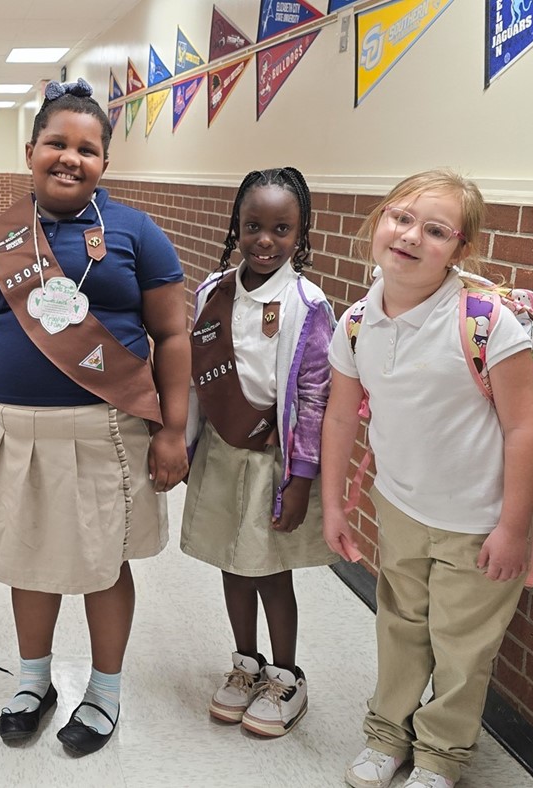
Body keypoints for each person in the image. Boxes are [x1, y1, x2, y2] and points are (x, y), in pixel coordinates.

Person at [0, 78, 190, 756]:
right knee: (31, 558)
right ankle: (34, 682)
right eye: (56, 142)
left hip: (107, 432)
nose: (69, 157)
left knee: (104, 564)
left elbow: (172, 337)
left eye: (87, 148)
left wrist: (173, 430)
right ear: (30, 151)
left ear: (104, 164)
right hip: (13, 428)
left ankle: (105, 691)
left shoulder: (137, 234)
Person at [322, 170, 533, 788]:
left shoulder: (486, 323)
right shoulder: (358, 322)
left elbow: (525, 430)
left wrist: (513, 526)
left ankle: (441, 756)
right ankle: (388, 734)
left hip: (478, 522)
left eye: (437, 230)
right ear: (378, 222)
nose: (412, 236)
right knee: (399, 625)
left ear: (461, 249)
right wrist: (335, 506)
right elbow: (341, 415)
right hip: (401, 508)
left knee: (461, 645)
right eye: (401, 217)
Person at [181, 167, 339, 738]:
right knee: (231, 561)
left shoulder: (308, 303)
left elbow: (316, 397)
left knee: (271, 571)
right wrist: (185, 443)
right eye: (252, 226)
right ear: (236, 227)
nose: (265, 240)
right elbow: (197, 377)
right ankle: (245, 664)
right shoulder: (211, 293)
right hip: (221, 453)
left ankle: (286, 676)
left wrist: (301, 479)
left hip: (274, 462)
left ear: (301, 234)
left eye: (281, 229)